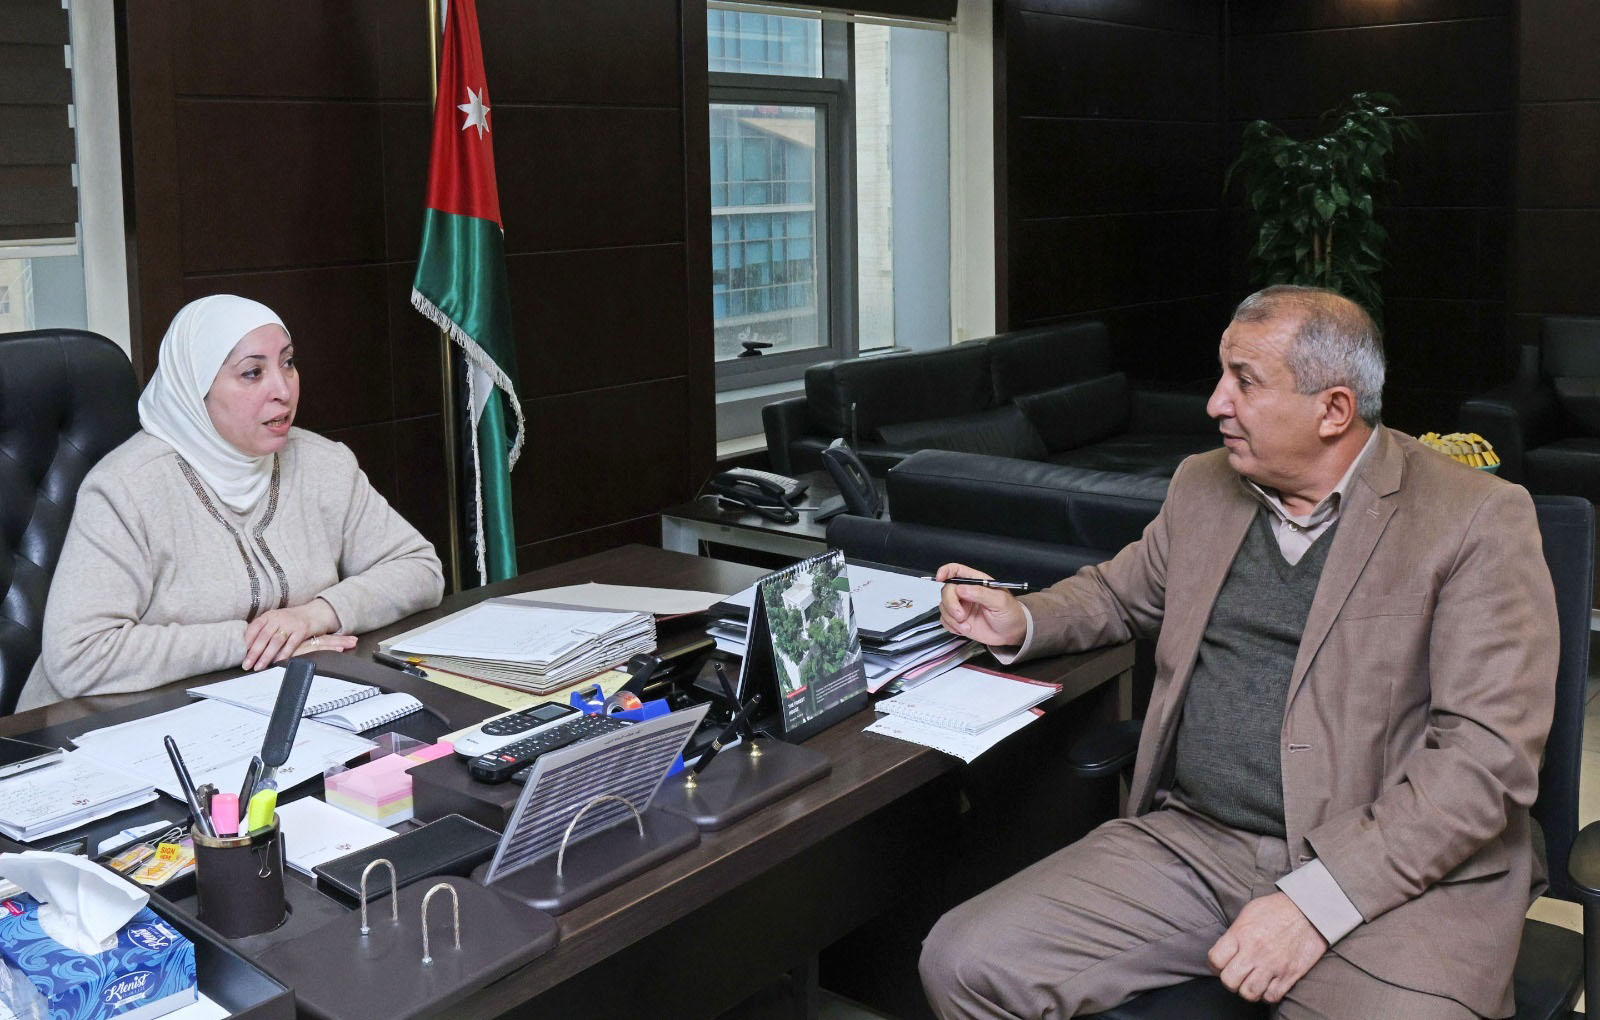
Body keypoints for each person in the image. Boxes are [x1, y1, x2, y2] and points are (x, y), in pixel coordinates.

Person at [918, 285, 1557, 1019]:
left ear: (1333, 410)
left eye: (1245, 381)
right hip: (1197, 844)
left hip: (1391, 868)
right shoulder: (1203, 486)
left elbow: (1485, 763)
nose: (1215, 403)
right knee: (965, 962)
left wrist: (1315, 903)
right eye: (1222, 375)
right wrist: (1022, 618)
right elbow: (1119, 594)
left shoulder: (1475, 518)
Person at [17, 295, 445, 710]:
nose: (283, 390)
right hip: (96, 730)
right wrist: (251, 642)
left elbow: (419, 569)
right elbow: (80, 655)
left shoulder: (323, 463)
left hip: (259, 707)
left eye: (288, 363)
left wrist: (317, 614)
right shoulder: (125, 488)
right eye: (252, 373)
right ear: (195, 388)